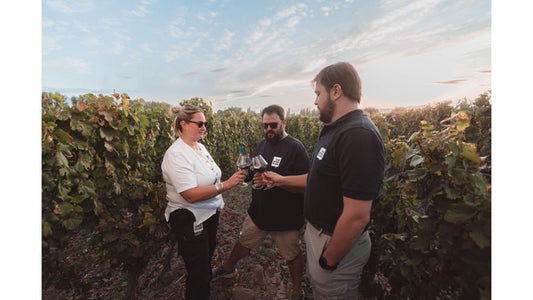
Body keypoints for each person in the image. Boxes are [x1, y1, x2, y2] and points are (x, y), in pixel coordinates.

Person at [263, 62, 386, 299]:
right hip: (320, 236)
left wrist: (328, 260)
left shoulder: (358, 135)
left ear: (336, 91)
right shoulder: (337, 130)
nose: (315, 102)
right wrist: (280, 180)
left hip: (333, 244)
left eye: (318, 93)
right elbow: (318, 180)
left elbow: (357, 215)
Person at [212, 105, 310, 300]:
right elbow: (255, 170)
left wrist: (278, 182)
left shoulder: (295, 148)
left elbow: (307, 183)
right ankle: (228, 268)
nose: (268, 130)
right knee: (244, 242)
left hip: (285, 218)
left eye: (273, 125)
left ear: (283, 122)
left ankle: (298, 289)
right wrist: (245, 174)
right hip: (259, 212)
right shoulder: (262, 144)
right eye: (264, 125)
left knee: (292, 255)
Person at [161, 104, 246, 300]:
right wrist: (225, 185)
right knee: (198, 272)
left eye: (205, 123)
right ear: (183, 124)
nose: (204, 127)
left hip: (208, 213)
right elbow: (189, 194)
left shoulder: (200, 147)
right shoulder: (176, 155)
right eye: (199, 123)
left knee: (205, 260)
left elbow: (211, 175)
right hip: (189, 218)